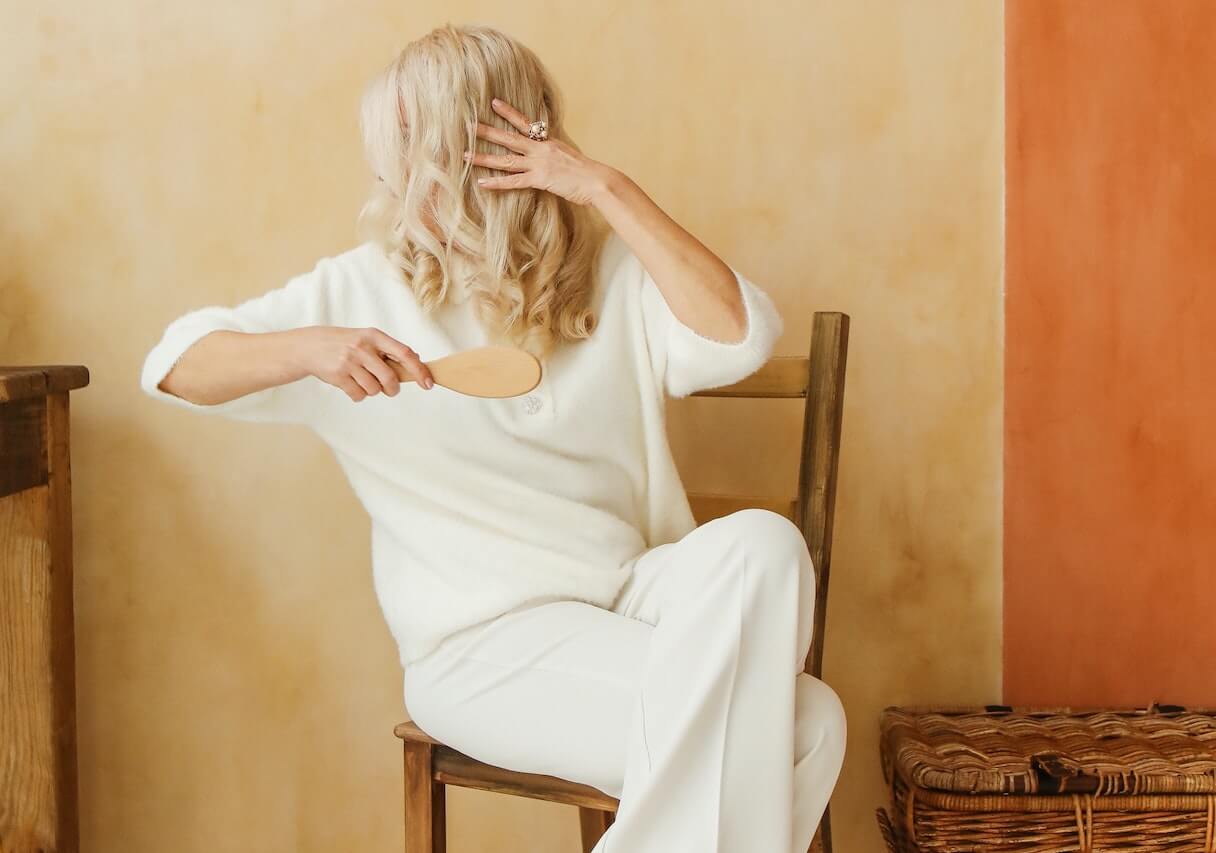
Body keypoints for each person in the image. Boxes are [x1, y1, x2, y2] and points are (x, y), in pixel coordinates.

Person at [139, 22, 845, 853]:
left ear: (469, 155)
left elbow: (739, 335)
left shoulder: (610, 270)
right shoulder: (363, 288)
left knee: (766, 546)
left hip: (630, 598)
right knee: (806, 726)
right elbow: (173, 364)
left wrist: (604, 186)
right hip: (483, 648)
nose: (392, 182)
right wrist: (313, 346)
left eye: (405, 153)